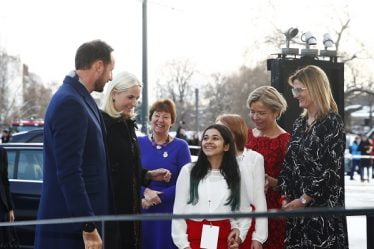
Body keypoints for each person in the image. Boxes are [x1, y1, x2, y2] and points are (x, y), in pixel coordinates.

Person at [34, 40, 115, 249]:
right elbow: (69, 172)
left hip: (79, 226)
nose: (111, 77)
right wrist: (87, 225)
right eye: (110, 70)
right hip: (70, 232)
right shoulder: (70, 103)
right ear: (98, 66)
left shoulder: (79, 98)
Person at [278, 65, 348, 248]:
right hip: (297, 212)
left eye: (299, 89)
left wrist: (304, 200)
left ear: (316, 87)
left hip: (322, 212)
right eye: (294, 89)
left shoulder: (332, 122)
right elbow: (290, 162)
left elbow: (329, 171)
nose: (295, 95)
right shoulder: (299, 123)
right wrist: (285, 196)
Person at [101, 71, 172, 249]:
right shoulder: (102, 125)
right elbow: (110, 169)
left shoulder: (127, 124)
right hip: (113, 212)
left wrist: (147, 175)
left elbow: (126, 166)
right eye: (130, 97)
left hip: (130, 211)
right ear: (114, 94)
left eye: (137, 98)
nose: (134, 103)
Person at [172, 124, 250, 249]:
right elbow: (178, 213)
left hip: (225, 239)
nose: (209, 141)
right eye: (206, 138)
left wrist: (240, 234)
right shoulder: (188, 171)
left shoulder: (236, 173)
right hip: (193, 240)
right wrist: (183, 245)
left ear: (226, 146)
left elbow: (245, 210)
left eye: (215, 138)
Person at [138, 99, 191, 249]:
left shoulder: (181, 146)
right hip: (143, 207)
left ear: (172, 121)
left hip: (170, 210)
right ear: (150, 118)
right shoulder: (138, 143)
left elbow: (186, 181)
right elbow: (130, 176)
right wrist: (144, 193)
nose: (160, 120)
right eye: (157, 115)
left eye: (166, 116)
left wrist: (159, 197)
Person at [245, 86, 289, 249]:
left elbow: (291, 183)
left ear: (276, 112)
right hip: (246, 207)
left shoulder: (285, 141)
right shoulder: (246, 135)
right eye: (252, 111)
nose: (255, 117)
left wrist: (269, 181)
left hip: (273, 211)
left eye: (261, 113)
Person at [216, 114, 267, 249]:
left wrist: (259, 237)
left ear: (235, 133)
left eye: (223, 130)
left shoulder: (254, 159)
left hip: (248, 224)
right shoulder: (213, 159)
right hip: (219, 225)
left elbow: (259, 200)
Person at [0, 147, 16, 246]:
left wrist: (10, 208)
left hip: (1, 204)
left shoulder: (2, 152)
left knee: (5, 240)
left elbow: (5, 180)